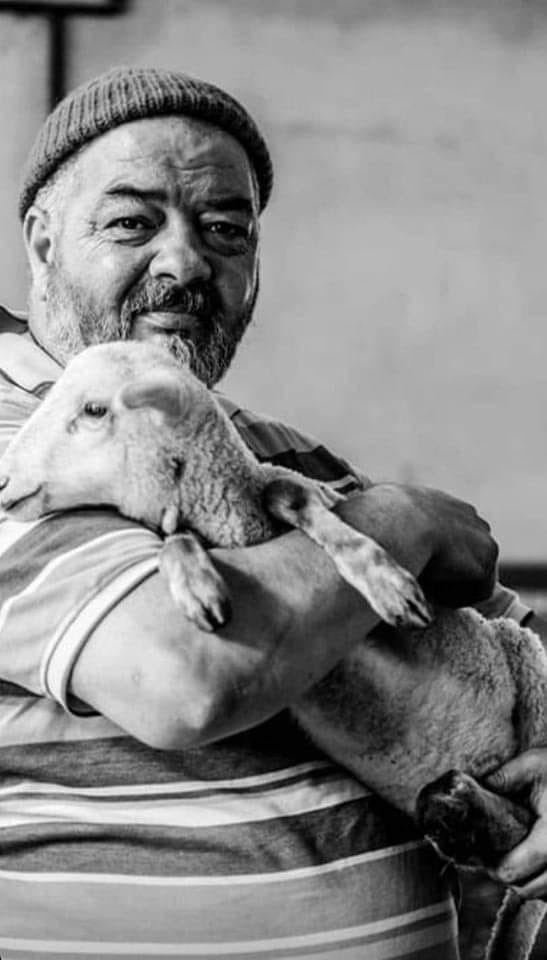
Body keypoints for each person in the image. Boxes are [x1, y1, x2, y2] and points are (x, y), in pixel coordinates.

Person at [0, 65, 535, 960]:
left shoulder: (281, 454)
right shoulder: (19, 452)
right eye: (131, 223)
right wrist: (401, 520)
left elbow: (510, 643)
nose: (184, 264)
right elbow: (188, 679)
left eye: (225, 229)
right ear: (43, 240)